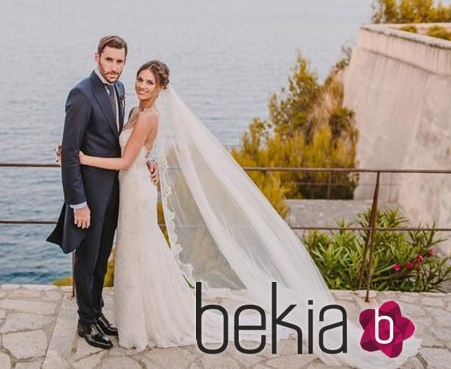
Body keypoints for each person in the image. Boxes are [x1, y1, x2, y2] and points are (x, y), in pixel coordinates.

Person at [78, 60, 422, 368]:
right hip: (135, 185)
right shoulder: (136, 111)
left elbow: (125, 160)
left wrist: (80, 158)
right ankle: (137, 316)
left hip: (135, 191)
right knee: (136, 252)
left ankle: (148, 321)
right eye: (139, 79)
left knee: (142, 251)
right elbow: (139, 152)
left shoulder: (150, 116)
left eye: (149, 82)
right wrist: (149, 161)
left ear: (161, 88)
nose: (141, 85)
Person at [47, 36, 157, 350]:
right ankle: (85, 322)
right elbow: (70, 154)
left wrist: (149, 161)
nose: (114, 67)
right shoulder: (81, 94)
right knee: (86, 258)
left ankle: (96, 311)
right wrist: (78, 203)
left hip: (115, 192)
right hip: (89, 196)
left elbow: (122, 140)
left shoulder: (120, 90)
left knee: (100, 259)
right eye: (108, 60)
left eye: (119, 62)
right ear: (97, 57)